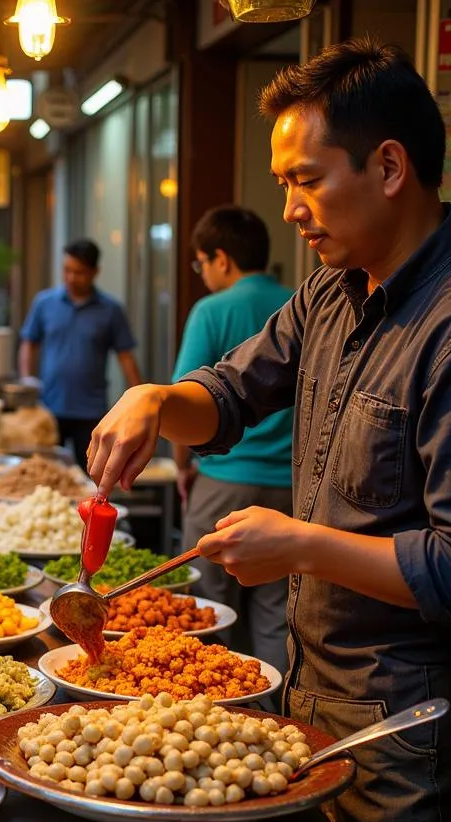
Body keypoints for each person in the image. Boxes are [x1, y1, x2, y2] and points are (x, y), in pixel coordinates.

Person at [87, 40, 451, 822]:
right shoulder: (330, 292)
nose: (288, 207)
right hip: (304, 695)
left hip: (411, 734)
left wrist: (299, 545)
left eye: (306, 180)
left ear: (388, 165)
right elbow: (235, 390)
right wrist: (160, 398)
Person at [172, 207, 295, 675]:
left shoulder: (212, 310)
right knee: (276, 619)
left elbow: (186, 397)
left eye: (200, 264)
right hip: (289, 490)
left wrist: (184, 467)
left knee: (205, 612)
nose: (201, 275)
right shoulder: (302, 303)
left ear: (221, 259)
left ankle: (206, 714)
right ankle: (272, 722)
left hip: (222, 482)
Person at [19, 239, 143, 467]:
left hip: (90, 412)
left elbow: (126, 357)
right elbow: (29, 343)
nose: (71, 278)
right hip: (48, 409)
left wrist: (140, 402)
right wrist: (28, 380)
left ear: (95, 272)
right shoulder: (44, 303)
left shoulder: (111, 310)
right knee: (43, 474)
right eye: (66, 270)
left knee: (91, 474)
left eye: (79, 272)